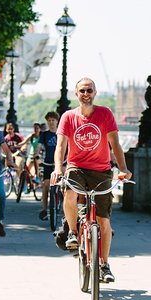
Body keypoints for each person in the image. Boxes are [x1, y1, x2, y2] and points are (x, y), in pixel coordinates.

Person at [50, 78, 132, 283]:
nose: (86, 93)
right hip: (76, 168)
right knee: (70, 191)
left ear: (95, 93)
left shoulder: (105, 114)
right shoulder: (68, 117)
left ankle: (104, 265)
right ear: (76, 94)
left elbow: (115, 144)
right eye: (82, 90)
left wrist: (123, 169)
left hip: (101, 171)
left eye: (89, 90)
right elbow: (60, 147)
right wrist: (58, 169)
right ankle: (73, 233)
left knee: (104, 220)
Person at [37, 112, 60, 220]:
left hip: (61, 163)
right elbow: (39, 146)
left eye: (53, 120)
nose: (51, 122)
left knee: (66, 187)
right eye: (49, 120)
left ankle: (66, 208)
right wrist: (36, 155)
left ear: (57, 121)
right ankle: (44, 209)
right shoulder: (45, 135)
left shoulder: (62, 133)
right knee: (46, 185)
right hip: (48, 163)